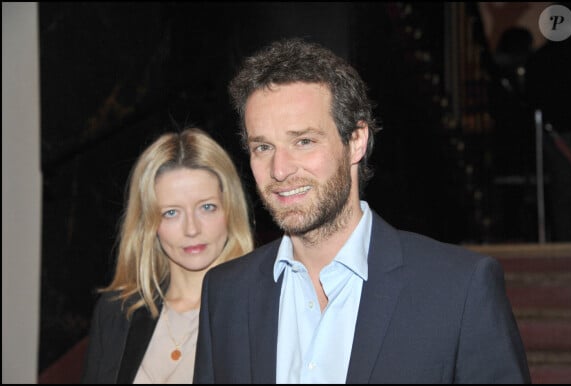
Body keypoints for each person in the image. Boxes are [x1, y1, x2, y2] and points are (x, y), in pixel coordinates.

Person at [193, 38, 531, 383]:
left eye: (304, 141)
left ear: (356, 141)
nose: (279, 169)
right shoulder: (226, 294)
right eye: (263, 146)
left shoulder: (458, 289)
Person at [81, 127, 254, 383]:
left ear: (230, 210)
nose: (192, 229)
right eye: (171, 213)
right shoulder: (117, 312)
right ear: (148, 223)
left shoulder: (263, 310)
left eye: (207, 207)